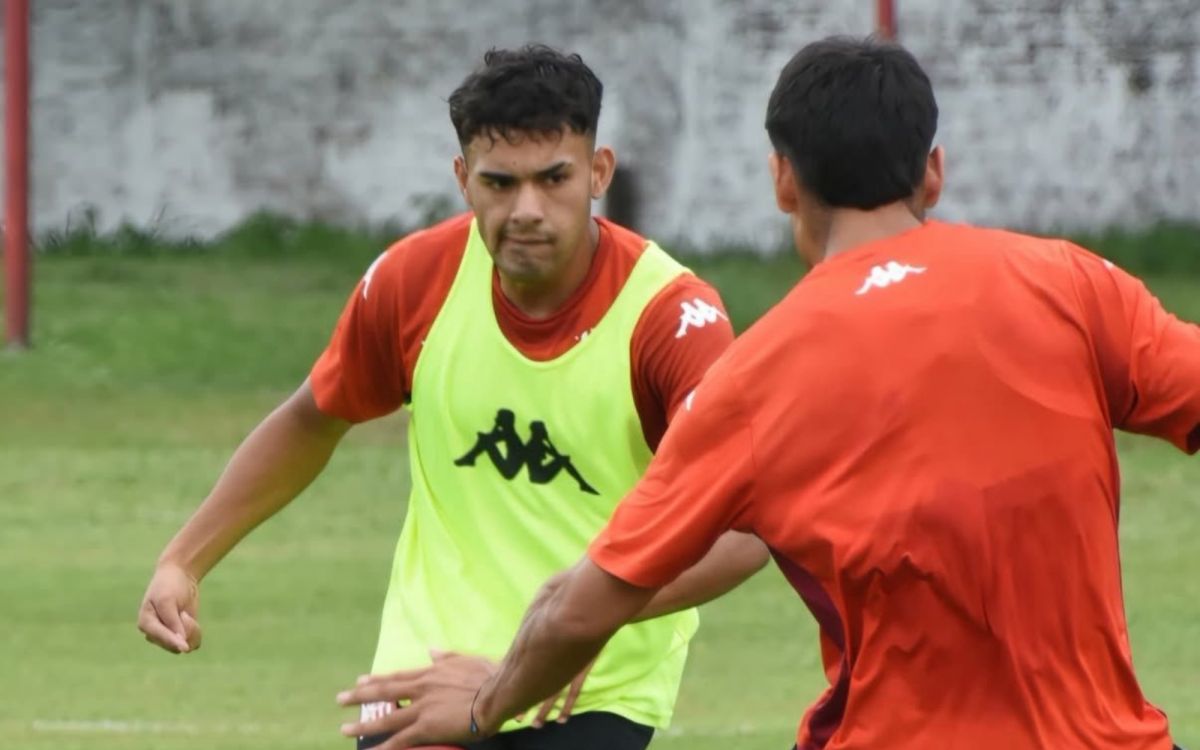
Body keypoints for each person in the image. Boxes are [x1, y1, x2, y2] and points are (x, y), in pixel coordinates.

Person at [336, 36, 1200, 750]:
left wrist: (487, 706)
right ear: (931, 172)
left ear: (783, 179)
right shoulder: (1075, 287)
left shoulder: (762, 372)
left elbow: (585, 602)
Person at [137, 44, 770, 750]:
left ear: (598, 172)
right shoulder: (416, 281)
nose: (527, 208)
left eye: (553, 178)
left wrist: (584, 617)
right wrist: (183, 559)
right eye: (500, 183)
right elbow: (312, 419)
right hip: (426, 673)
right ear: (464, 180)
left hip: (589, 688)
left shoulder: (670, 319)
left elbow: (745, 531)